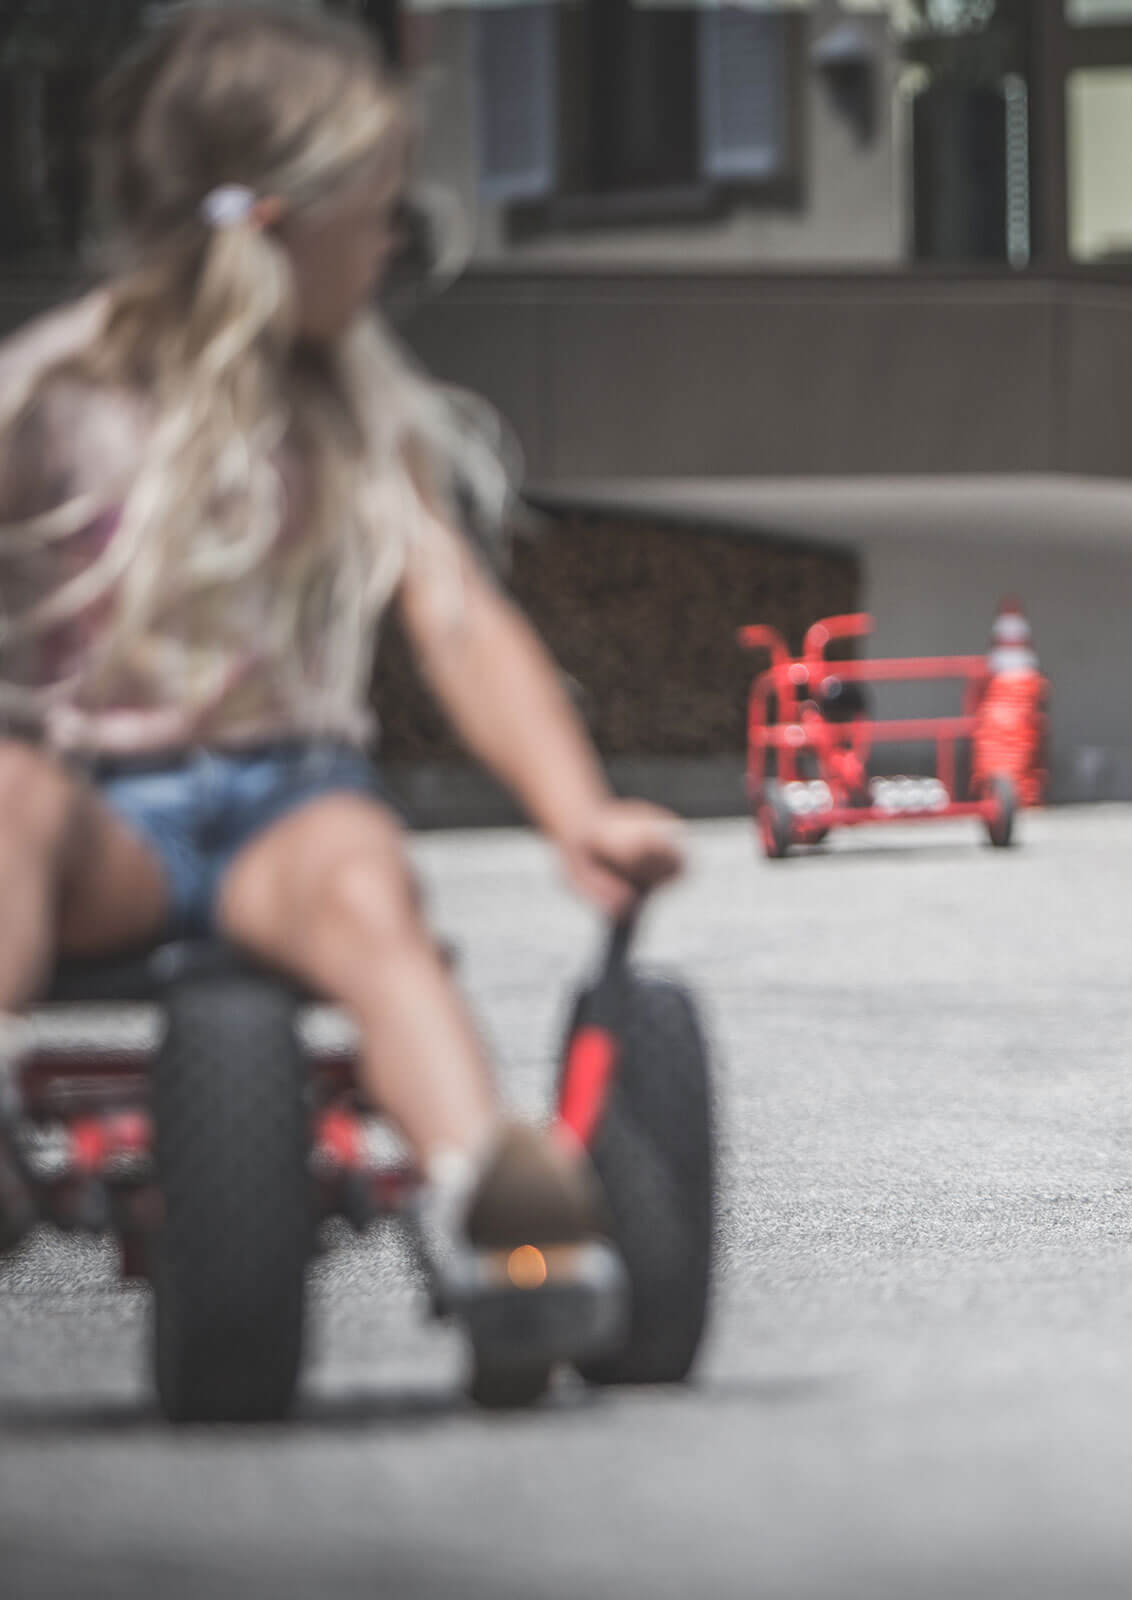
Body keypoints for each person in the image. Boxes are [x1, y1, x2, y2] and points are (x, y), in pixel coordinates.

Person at [0, 10, 684, 1290]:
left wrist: (576, 810)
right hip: (103, 817)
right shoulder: (52, 395)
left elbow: (456, 619)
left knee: (367, 887)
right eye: (376, 218)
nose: (392, 247)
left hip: (285, 806)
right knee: (8, 797)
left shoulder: (355, 408)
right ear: (276, 223)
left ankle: (490, 1199)